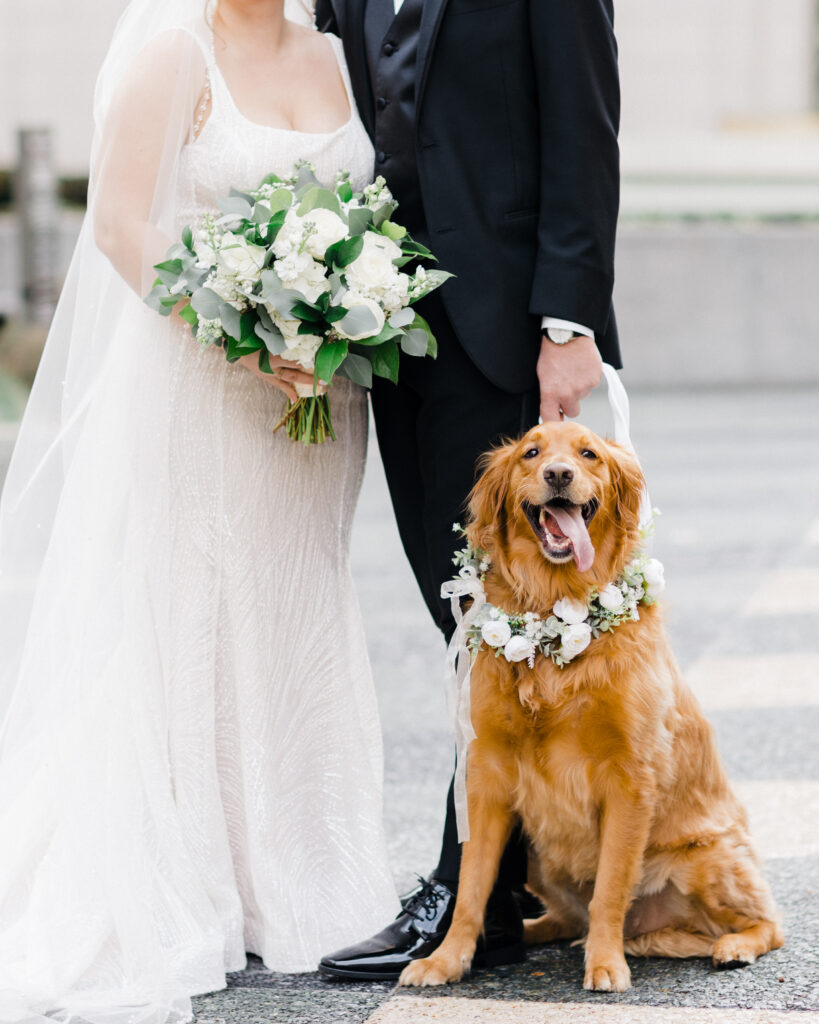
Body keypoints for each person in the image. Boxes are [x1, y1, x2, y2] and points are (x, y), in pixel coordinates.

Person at [0, 1, 400, 1021]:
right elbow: (121, 222)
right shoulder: (175, 55)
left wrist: (333, 318)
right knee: (198, 602)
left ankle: (297, 862)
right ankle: (201, 867)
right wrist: (239, 330)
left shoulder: (338, 53)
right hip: (206, 385)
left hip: (322, 389)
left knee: (297, 599)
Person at [316, 0, 622, 981]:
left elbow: (583, 122)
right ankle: (520, 868)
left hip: (502, 329)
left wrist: (569, 322)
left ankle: (473, 894)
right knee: (455, 609)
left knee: (500, 616)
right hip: (387, 329)